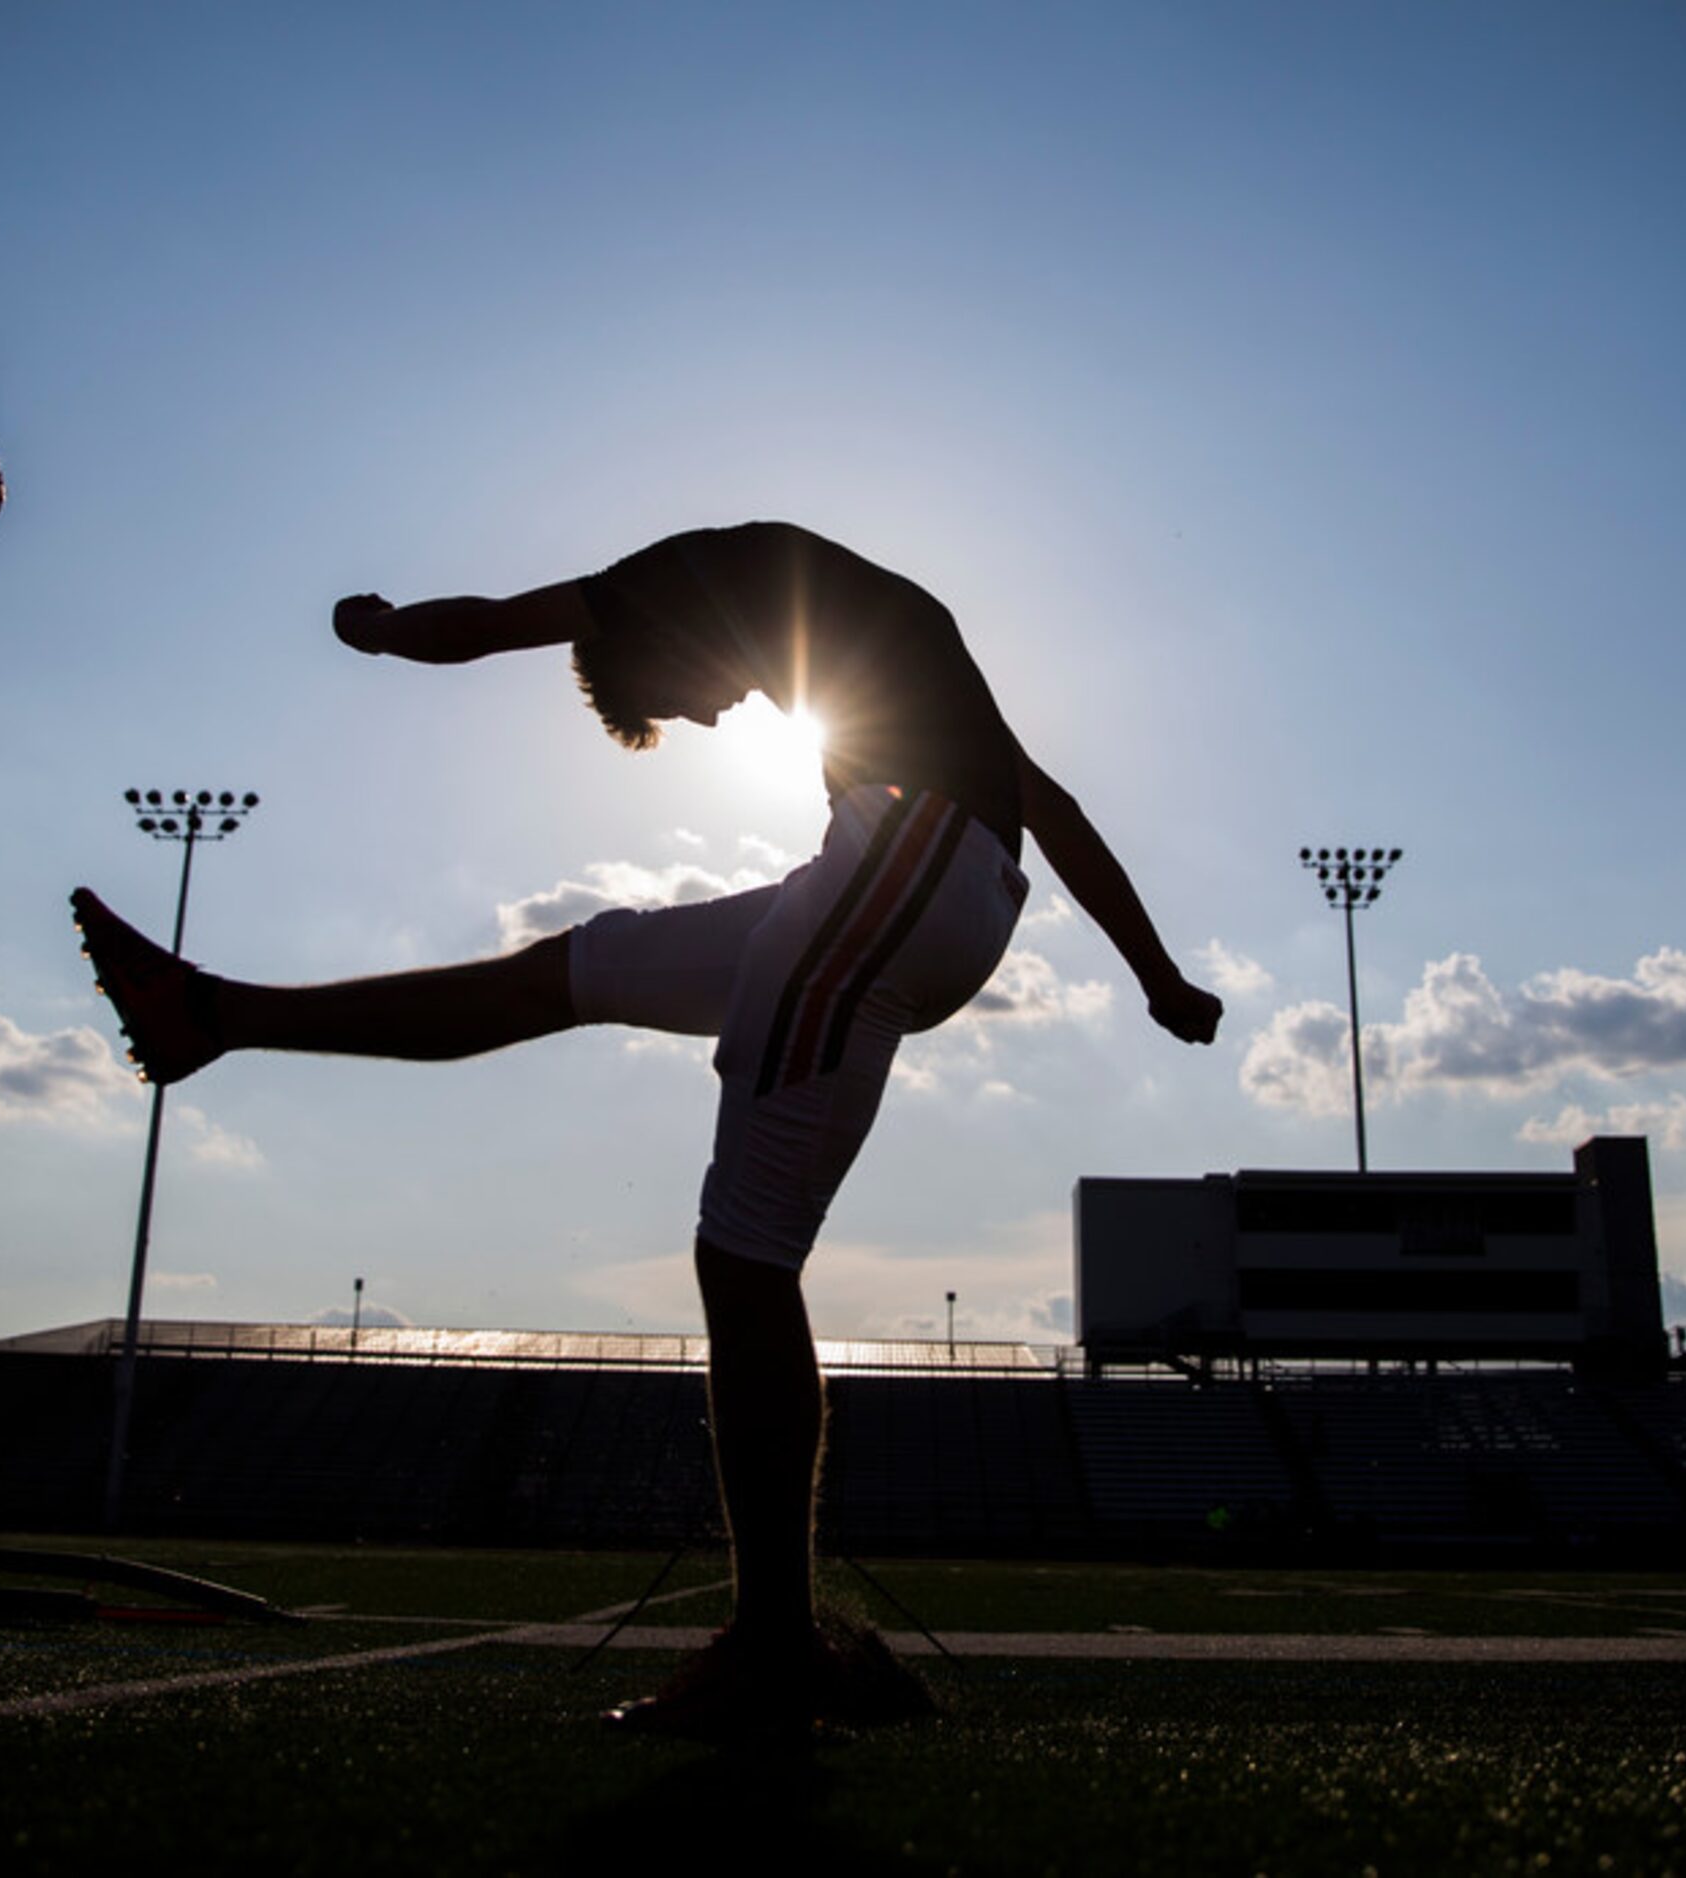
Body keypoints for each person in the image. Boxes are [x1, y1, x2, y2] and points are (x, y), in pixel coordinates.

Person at [72, 521, 1221, 1734]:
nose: (718, 723)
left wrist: (384, 629)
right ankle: (217, 1016)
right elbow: (1057, 806)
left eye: (681, 701)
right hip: (911, 880)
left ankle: (775, 1648)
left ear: (642, 631)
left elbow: (489, 622)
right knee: (569, 972)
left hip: (908, 869)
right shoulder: (858, 648)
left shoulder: (678, 578)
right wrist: (1155, 972)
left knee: (745, 1253)